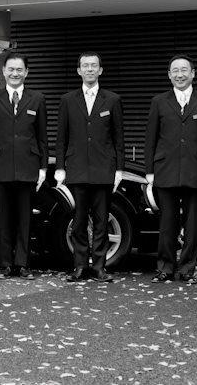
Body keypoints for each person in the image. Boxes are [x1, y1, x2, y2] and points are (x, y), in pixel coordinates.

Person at [145, 54, 197, 285]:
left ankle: (187, 269)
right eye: (175, 71)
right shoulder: (159, 101)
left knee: (191, 223)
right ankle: (165, 268)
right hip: (165, 170)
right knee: (167, 223)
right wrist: (149, 171)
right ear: (169, 75)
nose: (180, 75)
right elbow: (150, 139)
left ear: (193, 73)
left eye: (184, 70)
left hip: (195, 170)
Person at [55, 52, 124, 283]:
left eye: (94, 66)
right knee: (78, 221)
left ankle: (99, 267)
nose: (90, 69)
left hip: (104, 169)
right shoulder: (67, 100)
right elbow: (61, 137)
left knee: (102, 221)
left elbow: (118, 138)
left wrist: (119, 169)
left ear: (100, 70)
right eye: (85, 66)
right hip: (76, 169)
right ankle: (80, 266)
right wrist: (60, 166)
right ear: (79, 71)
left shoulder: (112, 100)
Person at [0, 51, 47, 280]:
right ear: (3, 71)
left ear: (26, 72)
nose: (15, 73)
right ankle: (5, 264)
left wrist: (43, 167)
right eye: (11, 69)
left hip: (29, 166)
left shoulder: (37, 99)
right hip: (1, 166)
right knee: (4, 218)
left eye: (19, 69)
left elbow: (42, 136)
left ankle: (23, 263)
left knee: (25, 218)